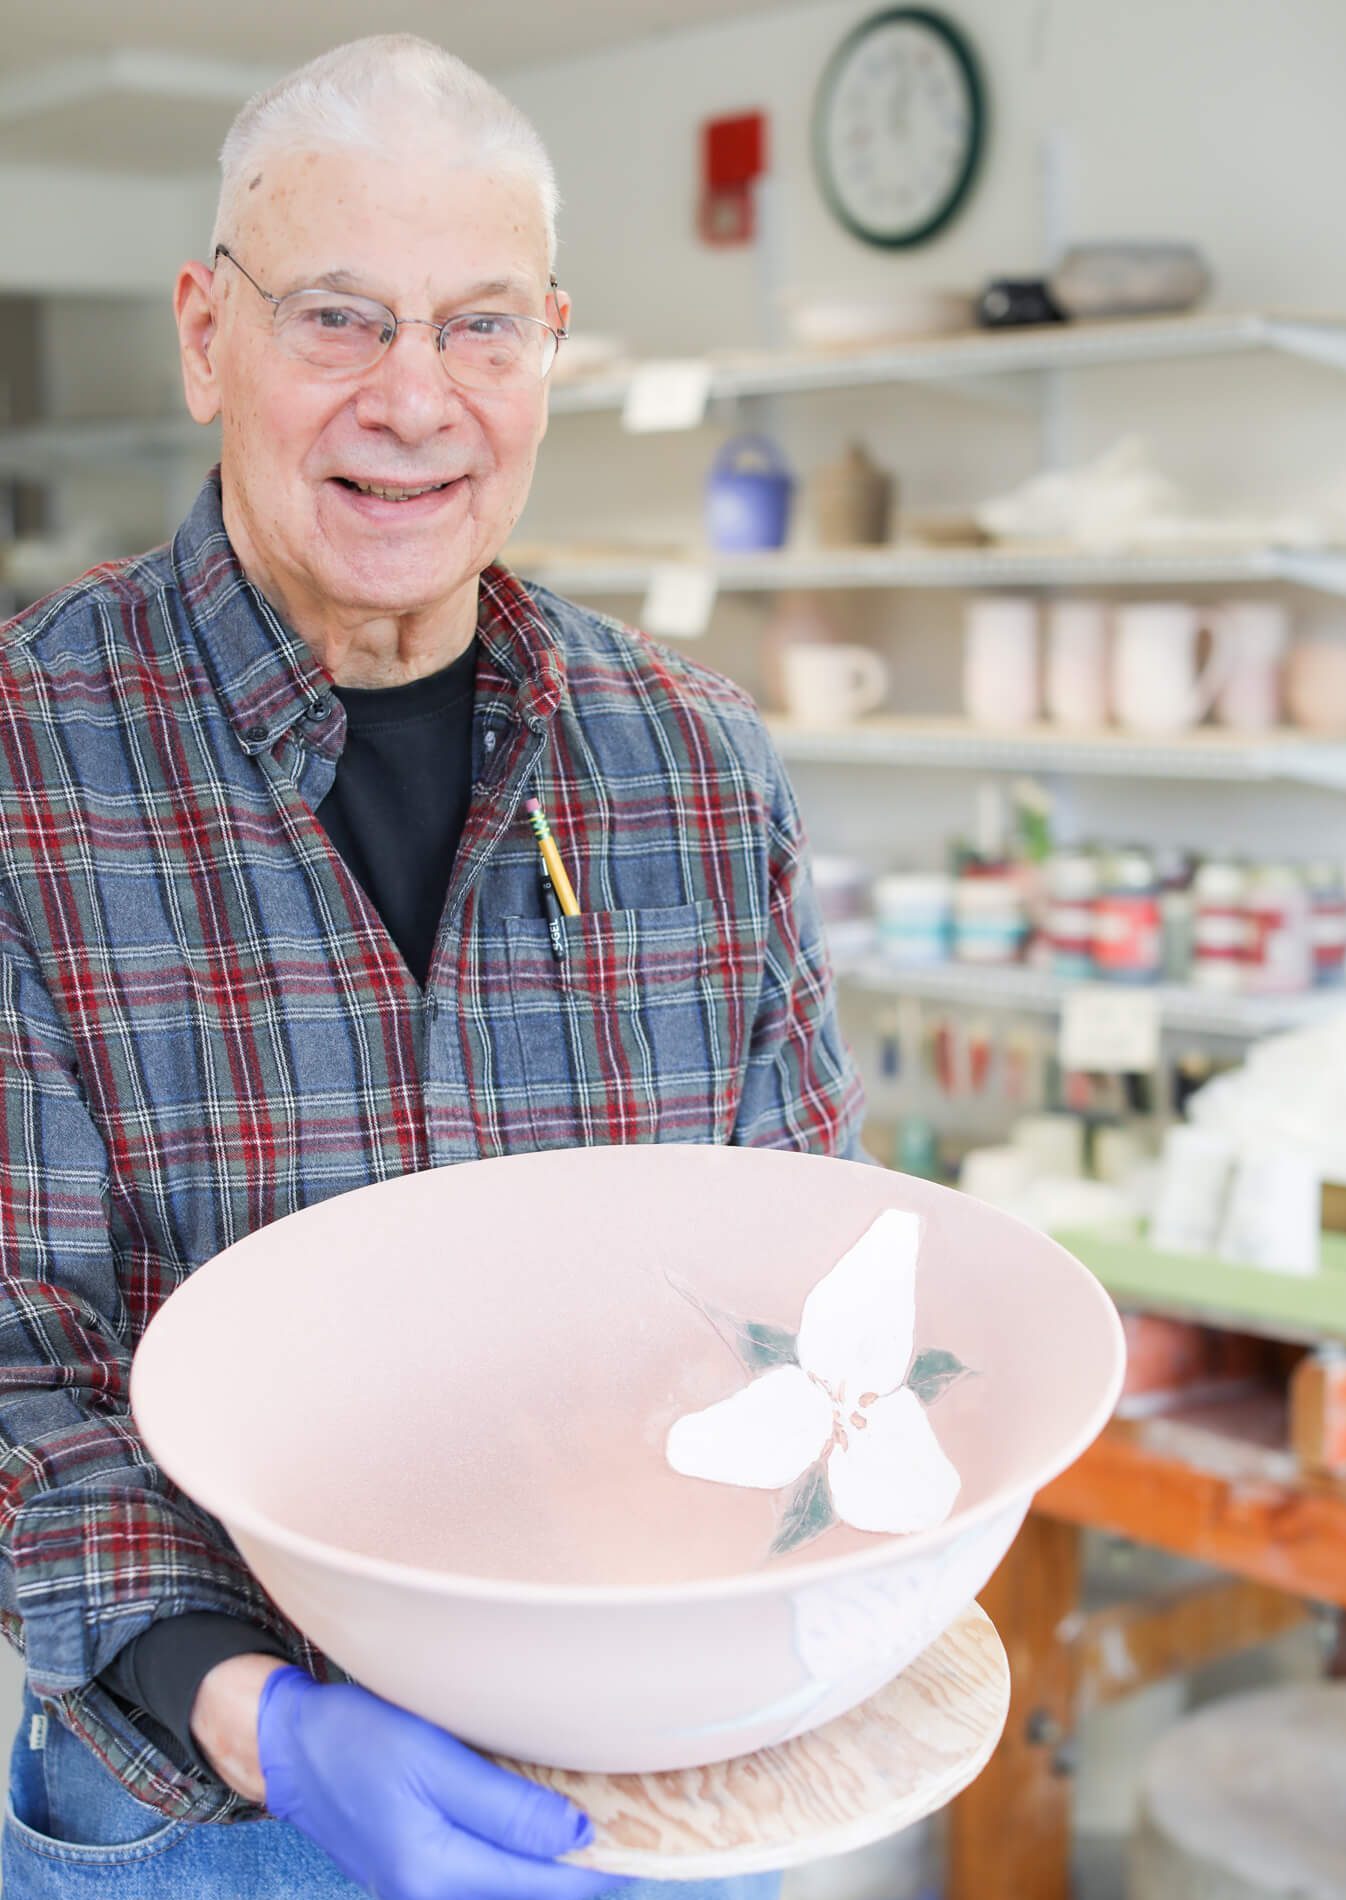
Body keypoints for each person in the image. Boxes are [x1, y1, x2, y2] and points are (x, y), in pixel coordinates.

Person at [0, 33, 864, 1900]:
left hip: (651, 1791)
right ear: (202, 335)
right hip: (206, 1802)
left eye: (480, 328)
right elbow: (21, 1368)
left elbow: (809, 1280)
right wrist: (263, 1717)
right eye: (339, 319)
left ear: (549, 345)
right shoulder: (28, 765)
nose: (417, 401)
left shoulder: (691, 765)